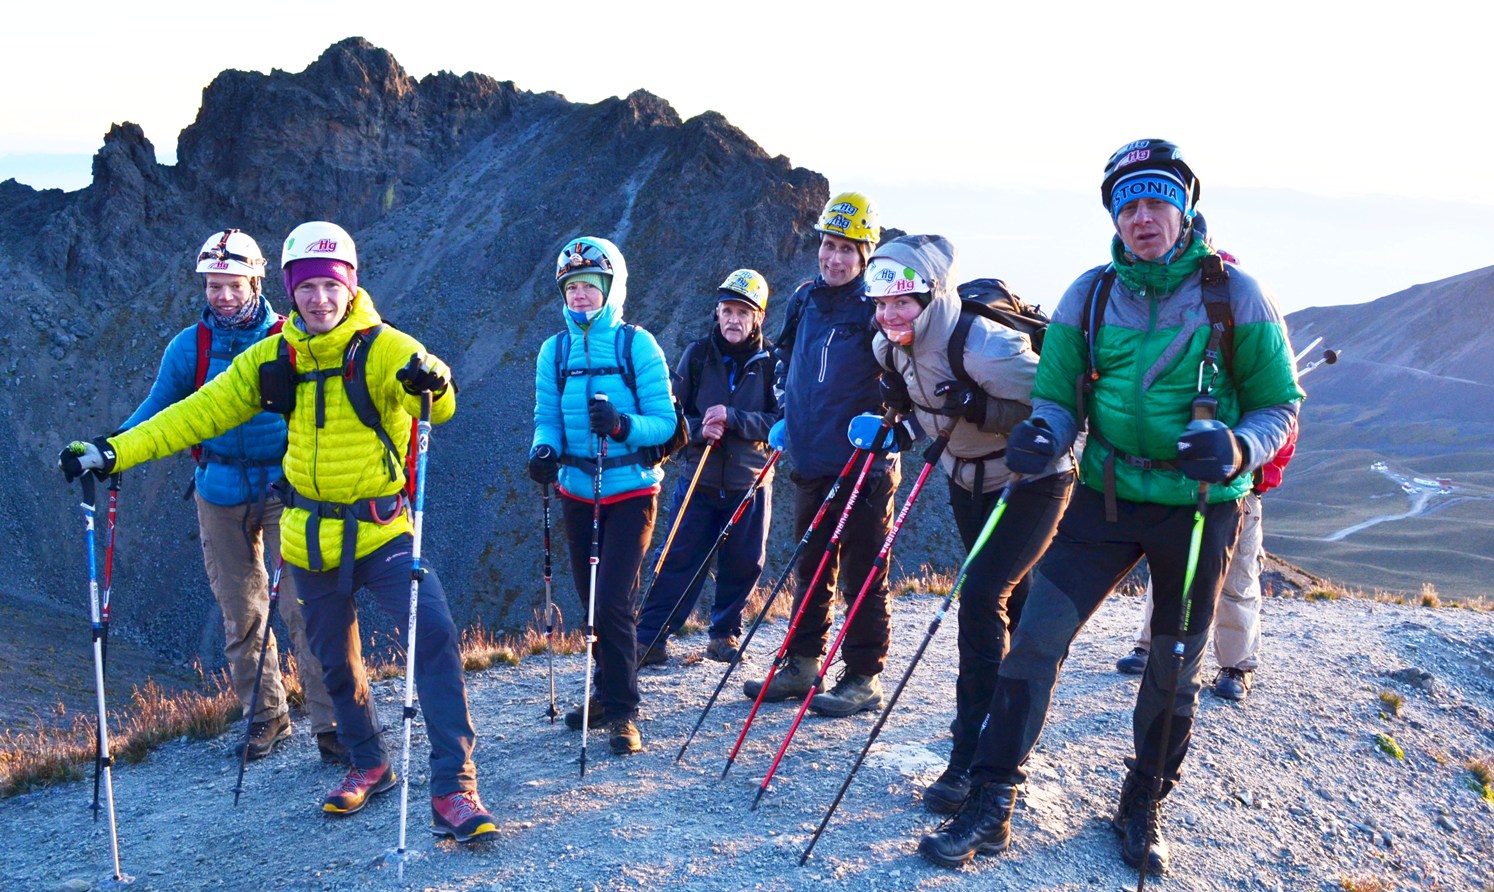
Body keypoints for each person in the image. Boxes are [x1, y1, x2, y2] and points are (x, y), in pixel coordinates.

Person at [917, 140, 1303, 875]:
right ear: (1114, 217)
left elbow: (1280, 403)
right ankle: (993, 799)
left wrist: (1238, 449)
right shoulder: (1089, 295)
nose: (1143, 217)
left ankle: (1144, 799)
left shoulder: (1237, 295)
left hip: (1198, 508)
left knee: (1175, 661)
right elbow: (1059, 399)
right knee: (1034, 640)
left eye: (1158, 201)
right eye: (1128, 204)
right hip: (1104, 497)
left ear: (1186, 208)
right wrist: (1041, 435)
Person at [60, 221, 498, 842]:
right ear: (290, 290)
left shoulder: (384, 347)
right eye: (308, 286)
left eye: (331, 284)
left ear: (350, 285)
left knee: (434, 640)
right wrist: (112, 452)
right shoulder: (272, 358)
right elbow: (193, 415)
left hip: (382, 534)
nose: (320, 298)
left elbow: (441, 401)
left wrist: (433, 380)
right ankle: (368, 763)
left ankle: (455, 788)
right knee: (335, 663)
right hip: (309, 539)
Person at [867, 234, 1075, 813]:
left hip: (1034, 482)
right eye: (880, 305)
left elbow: (1061, 401)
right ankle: (1013, 726)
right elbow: (922, 410)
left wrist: (984, 409)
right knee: (1015, 606)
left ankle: (968, 759)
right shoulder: (890, 346)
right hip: (965, 480)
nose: (889, 316)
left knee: (981, 596)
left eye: (901, 302)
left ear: (931, 296)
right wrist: (901, 419)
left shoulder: (983, 347)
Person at [115, 229, 340, 765]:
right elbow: (159, 409)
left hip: (287, 488)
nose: (222, 296)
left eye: (233, 285)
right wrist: (112, 450)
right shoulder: (188, 348)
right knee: (241, 612)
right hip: (217, 489)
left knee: (304, 607)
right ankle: (266, 717)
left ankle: (332, 722)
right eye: (214, 285)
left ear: (256, 281)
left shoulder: (293, 338)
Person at [742, 191, 901, 718]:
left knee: (862, 572)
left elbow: (906, 375)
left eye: (847, 250)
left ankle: (863, 676)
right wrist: (788, 413)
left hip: (863, 468)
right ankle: (804, 663)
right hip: (810, 460)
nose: (834, 258)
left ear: (866, 254)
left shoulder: (876, 308)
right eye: (829, 245)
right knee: (811, 566)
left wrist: (888, 426)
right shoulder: (805, 298)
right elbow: (786, 356)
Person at [528, 235, 677, 756]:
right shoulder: (556, 350)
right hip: (576, 492)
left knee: (613, 600)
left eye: (590, 286)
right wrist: (543, 451)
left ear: (611, 289)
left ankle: (623, 713)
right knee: (592, 602)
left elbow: (665, 423)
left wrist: (619, 425)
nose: (581, 296)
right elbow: (547, 419)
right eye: (572, 288)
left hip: (631, 491)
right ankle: (605, 690)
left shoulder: (637, 345)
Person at [634, 269, 779, 666]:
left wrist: (735, 418)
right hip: (697, 479)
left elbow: (782, 421)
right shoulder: (697, 356)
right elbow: (671, 417)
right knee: (679, 558)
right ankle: (649, 639)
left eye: (742, 312)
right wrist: (700, 428)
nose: (733, 319)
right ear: (716, 313)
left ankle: (723, 636)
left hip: (750, 482)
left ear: (758, 317)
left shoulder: (772, 363)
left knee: (745, 562)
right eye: (727, 310)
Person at [1115, 422, 1297, 702]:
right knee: (1168, 572)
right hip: (1183, 487)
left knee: (1237, 578)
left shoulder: (1265, 391)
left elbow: (1281, 436)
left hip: (1240, 491)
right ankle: (1150, 647)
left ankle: (1236, 666)